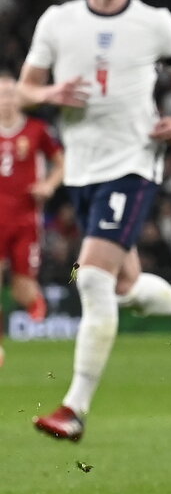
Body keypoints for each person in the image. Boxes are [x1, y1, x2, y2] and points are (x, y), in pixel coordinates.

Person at [18, 0, 171, 442]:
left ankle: (75, 408)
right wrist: (50, 95)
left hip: (133, 162)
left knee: (92, 278)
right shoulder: (57, 22)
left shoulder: (156, 23)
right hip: (81, 168)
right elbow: (24, 90)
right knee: (126, 287)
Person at [0, 72, 64, 366]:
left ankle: (38, 307)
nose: (6, 101)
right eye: (1, 95)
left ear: (19, 97)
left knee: (22, 287)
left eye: (11, 94)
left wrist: (49, 185)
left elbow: (61, 162)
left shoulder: (37, 130)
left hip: (25, 219)